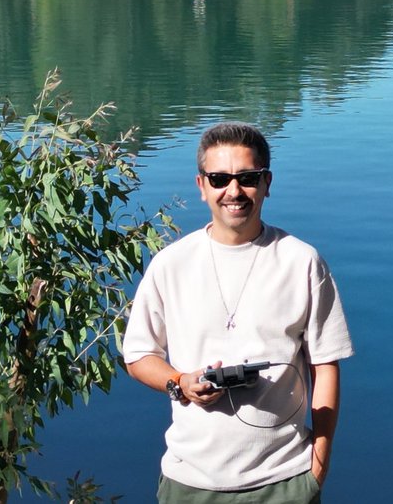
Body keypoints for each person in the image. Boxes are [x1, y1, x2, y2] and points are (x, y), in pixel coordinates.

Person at [123, 122, 353, 504]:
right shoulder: (171, 264)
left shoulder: (302, 262)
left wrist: (318, 464)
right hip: (190, 483)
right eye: (219, 179)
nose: (233, 191)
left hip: (285, 481)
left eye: (247, 178)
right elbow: (137, 355)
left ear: (266, 183)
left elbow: (325, 364)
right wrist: (180, 382)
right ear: (201, 186)